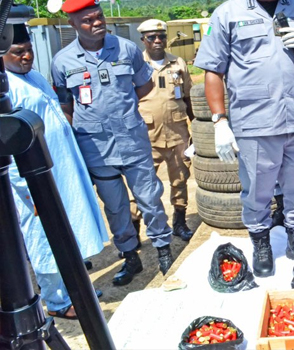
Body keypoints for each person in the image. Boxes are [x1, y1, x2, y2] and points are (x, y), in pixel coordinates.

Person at [194, 0, 294, 277]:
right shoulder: (227, 13)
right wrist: (219, 120)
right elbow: (212, 70)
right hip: (256, 120)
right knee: (257, 188)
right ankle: (261, 243)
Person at [51, 0, 175, 286]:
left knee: (149, 197)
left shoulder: (126, 49)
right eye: (88, 20)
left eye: (99, 16)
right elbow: (65, 106)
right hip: (94, 147)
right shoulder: (62, 62)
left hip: (132, 140)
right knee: (116, 206)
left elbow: (144, 86)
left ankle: (163, 248)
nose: (97, 23)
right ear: (73, 25)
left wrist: (121, 111)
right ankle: (131, 256)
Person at [5, 23, 108, 319]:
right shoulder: (7, 88)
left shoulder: (34, 76)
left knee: (68, 230)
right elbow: (8, 149)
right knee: (44, 237)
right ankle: (58, 300)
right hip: (33, 180)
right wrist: (27, 192)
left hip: (62, 169)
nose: (26, 56)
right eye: (18, 52)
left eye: (28, 50)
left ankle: (76, 289)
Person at [129, 19, 194, 242]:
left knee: (180, 179)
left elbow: (188, 97)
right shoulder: (134, 65)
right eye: (152, 37)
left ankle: (179, 221)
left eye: (161, 36)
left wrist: (196, 126)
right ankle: (134, 230)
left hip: (177, 133)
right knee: (141, 185)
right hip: (146, 136)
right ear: (143, 40)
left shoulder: (178, 63)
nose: (158, 41)